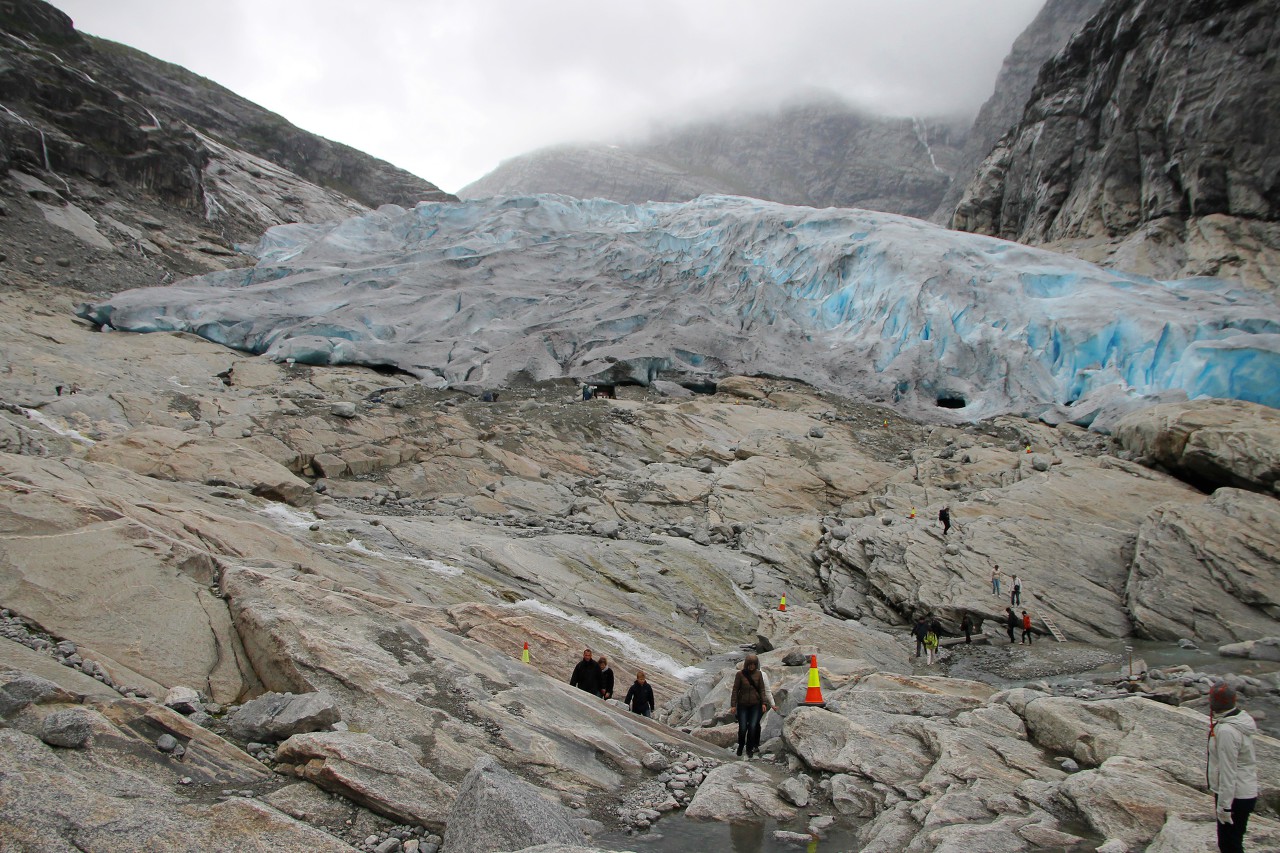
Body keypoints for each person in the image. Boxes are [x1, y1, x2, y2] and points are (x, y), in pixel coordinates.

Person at [1207, 683, 1259, 853]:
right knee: (1233, 842)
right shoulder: (1240, 720)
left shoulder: (1227, 731)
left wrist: (1224, 806)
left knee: (1229, 846)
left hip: (1235, 797)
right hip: (1244, 792)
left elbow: (1228, 771)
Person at [729, 654, 776, 759]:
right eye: (749, 665)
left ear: (756, 665)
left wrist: (764, 703)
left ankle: (749, 749)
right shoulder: (740, 674)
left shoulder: (759, 674)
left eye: (753, 665)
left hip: (756, 705)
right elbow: (735, 690)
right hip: (742, 705)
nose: (751, 667)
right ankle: (741, 745)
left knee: (752, 727)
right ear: (746, 664)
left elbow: (762, 690)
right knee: (742, 728)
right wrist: (733, 705)